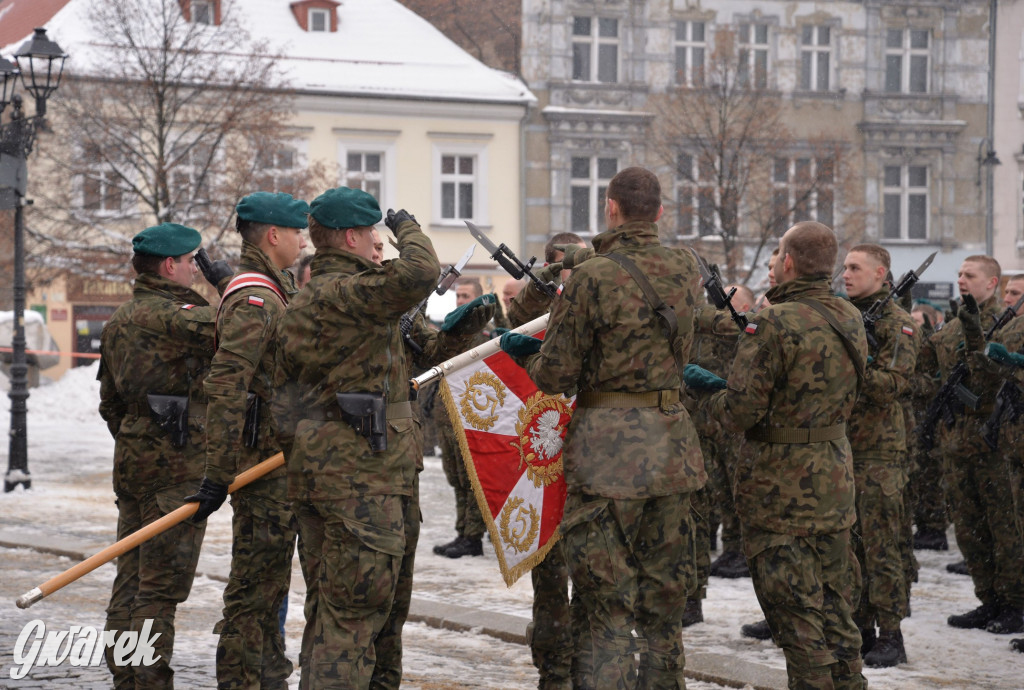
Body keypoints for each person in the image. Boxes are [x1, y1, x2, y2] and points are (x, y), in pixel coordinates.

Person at [502, 166, 706, 688]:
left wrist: (533, 356)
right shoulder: (687, 267)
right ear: (660, 212)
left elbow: (556, 374)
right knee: (664, 605)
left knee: (606, 607)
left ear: (610, 208)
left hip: (607, 454)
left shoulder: (592, 277)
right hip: (671, 447)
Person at [693, 221, 868, 689]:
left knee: (797, 622)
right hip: (832, 482)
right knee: (837, 614)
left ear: (788, 263)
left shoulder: (773, 321)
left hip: (781, 493)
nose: (773, 263)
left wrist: (705, 393)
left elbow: (740, 411)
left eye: (776, 255)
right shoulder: (849, 316)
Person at [185, 192, 310, 689]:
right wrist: (217, 474)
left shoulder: (270, 287)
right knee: (252, 596)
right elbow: (227, 385)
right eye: (297, 231)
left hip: (280, 467)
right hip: (262, 472)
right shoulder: (256, 299)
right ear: (273, 236)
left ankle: (270, 677)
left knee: (271, 591)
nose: (304, 239)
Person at [98, 222, 230, 689]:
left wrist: (141, 432)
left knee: (130, 578)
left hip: (133, 464)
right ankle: (150, 682)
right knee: (159, 590)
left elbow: (109, 404)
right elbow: (244, 323)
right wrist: (227, 283)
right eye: (193, 261)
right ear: (170, 265)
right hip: (177, 467)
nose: (197, 269)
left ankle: (125, 679)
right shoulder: (180, 317)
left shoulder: (119, 320)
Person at [917, 256, 1024, 634]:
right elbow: (925, 373)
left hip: (994, 445)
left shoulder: (1009, 328)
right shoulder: (949, 330)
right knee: (968, 529)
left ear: (992, 283)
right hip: (956, 444)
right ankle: (988, 599)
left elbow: (990, 380)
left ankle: (1014, 603)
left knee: (1004, 529)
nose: (961, 280)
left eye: (970, 275)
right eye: (959, 274)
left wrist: (979, 338)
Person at [506, 232, 590, 690]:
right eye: (565, 267)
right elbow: (514, 320)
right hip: (546, 464)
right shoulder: (541, 310)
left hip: (592, 463)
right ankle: (554, 671)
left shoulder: (600, 305)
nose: (573, 275)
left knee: (596, 578)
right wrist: (547, 281)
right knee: (552, 581)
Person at [840, 244, 920, 667]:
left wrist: (853, 360)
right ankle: (861, 627)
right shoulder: (846, 315)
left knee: (882, 545)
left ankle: (892, 633)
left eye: (855, 268)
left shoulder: (898, 324)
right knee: (850, 547)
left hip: (880, 451)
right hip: (844, 446)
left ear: (880, 273)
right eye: (844, 267)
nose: (846, 275)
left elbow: (892, 385)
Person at [433, 276, 492, 559]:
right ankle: (463, 532)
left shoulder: (484, 335)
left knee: (471, 480)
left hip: (471, 418)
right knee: (456, 478)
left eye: (466, 297)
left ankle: (472, 536)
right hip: (447, 416)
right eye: (458, 297)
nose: (460, 302)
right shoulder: (451, 332)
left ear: (478, 299)